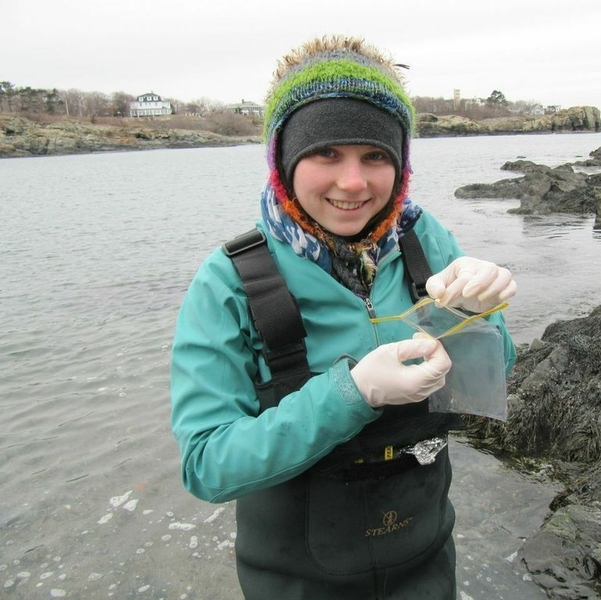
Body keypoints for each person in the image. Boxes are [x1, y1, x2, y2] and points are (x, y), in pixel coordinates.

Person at [170, 35, 517, 599]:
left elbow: (484, 382)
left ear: (400, 165)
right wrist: (352, 392)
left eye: (375, 156)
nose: (353, 182)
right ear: (284, 160)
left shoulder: (424, 239)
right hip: (296, 578)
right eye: (326, 152)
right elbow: (207, 465)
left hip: (426, 558)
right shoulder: (230, 279)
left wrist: (482, 320)